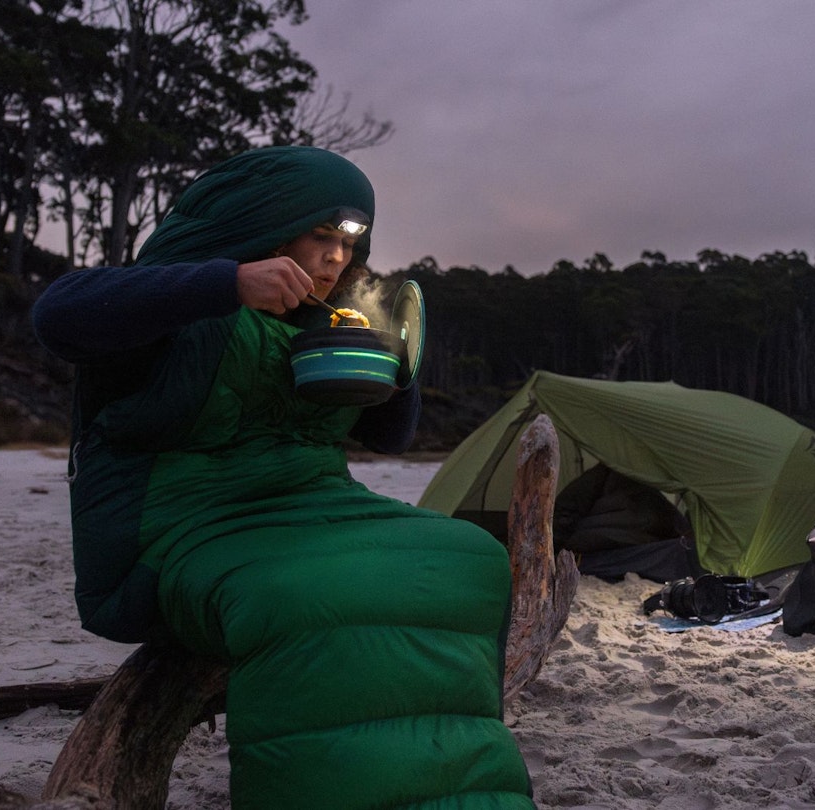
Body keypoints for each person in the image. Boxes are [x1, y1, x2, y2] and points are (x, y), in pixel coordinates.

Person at [32, 145, 534, 808]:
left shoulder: (319, 329)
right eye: (320, 237)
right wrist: (226, 285)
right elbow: (57, 314)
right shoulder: (177, 313)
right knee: (300, 595)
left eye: (350, 244)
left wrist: (397, 356)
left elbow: (388, 436)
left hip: (312, 504)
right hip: (175, 535)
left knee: (469, 556)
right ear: (263, 232)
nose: (337, 258)